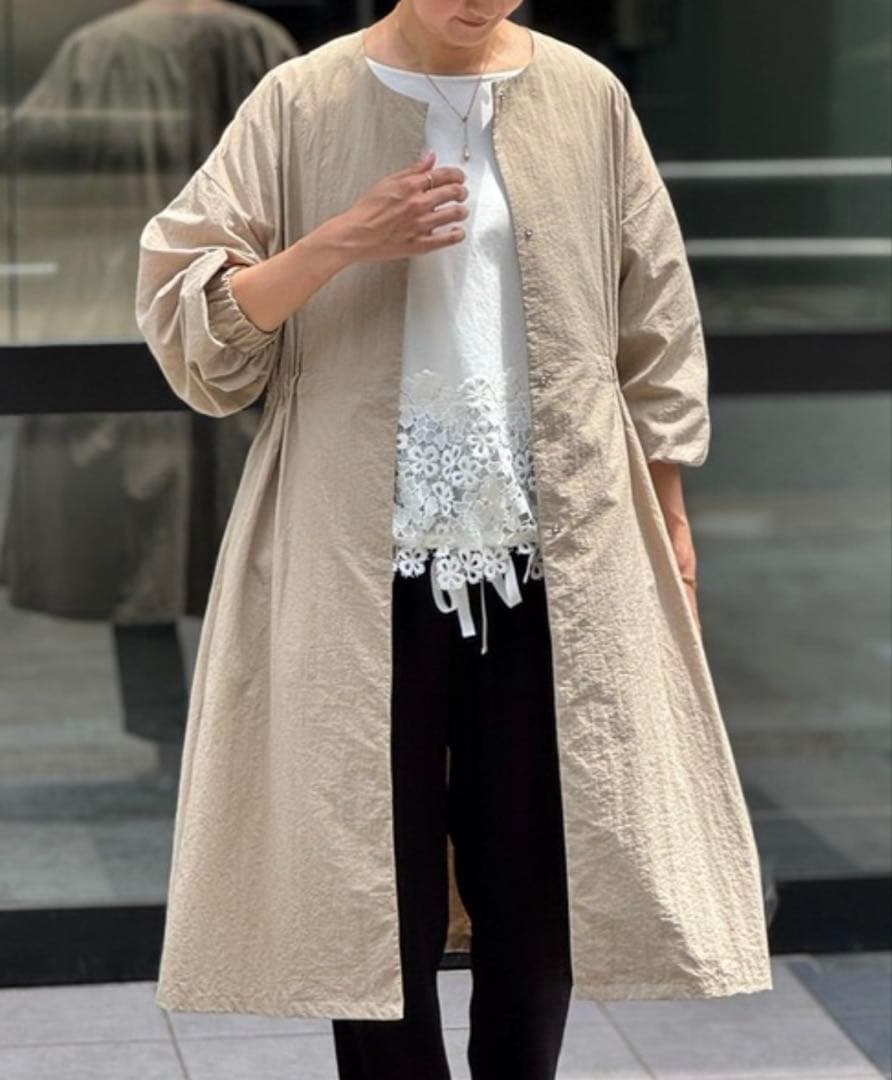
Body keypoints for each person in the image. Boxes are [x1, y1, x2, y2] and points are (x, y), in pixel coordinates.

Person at [135, 3, 773, 1079]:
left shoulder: (586, 98)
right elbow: (189, 323)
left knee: (540, 872)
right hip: (357, 553)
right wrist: (344, 237)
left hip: (556, 549)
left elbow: (654, 318)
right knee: (371, 877)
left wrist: (667, 512)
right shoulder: (301, 101)